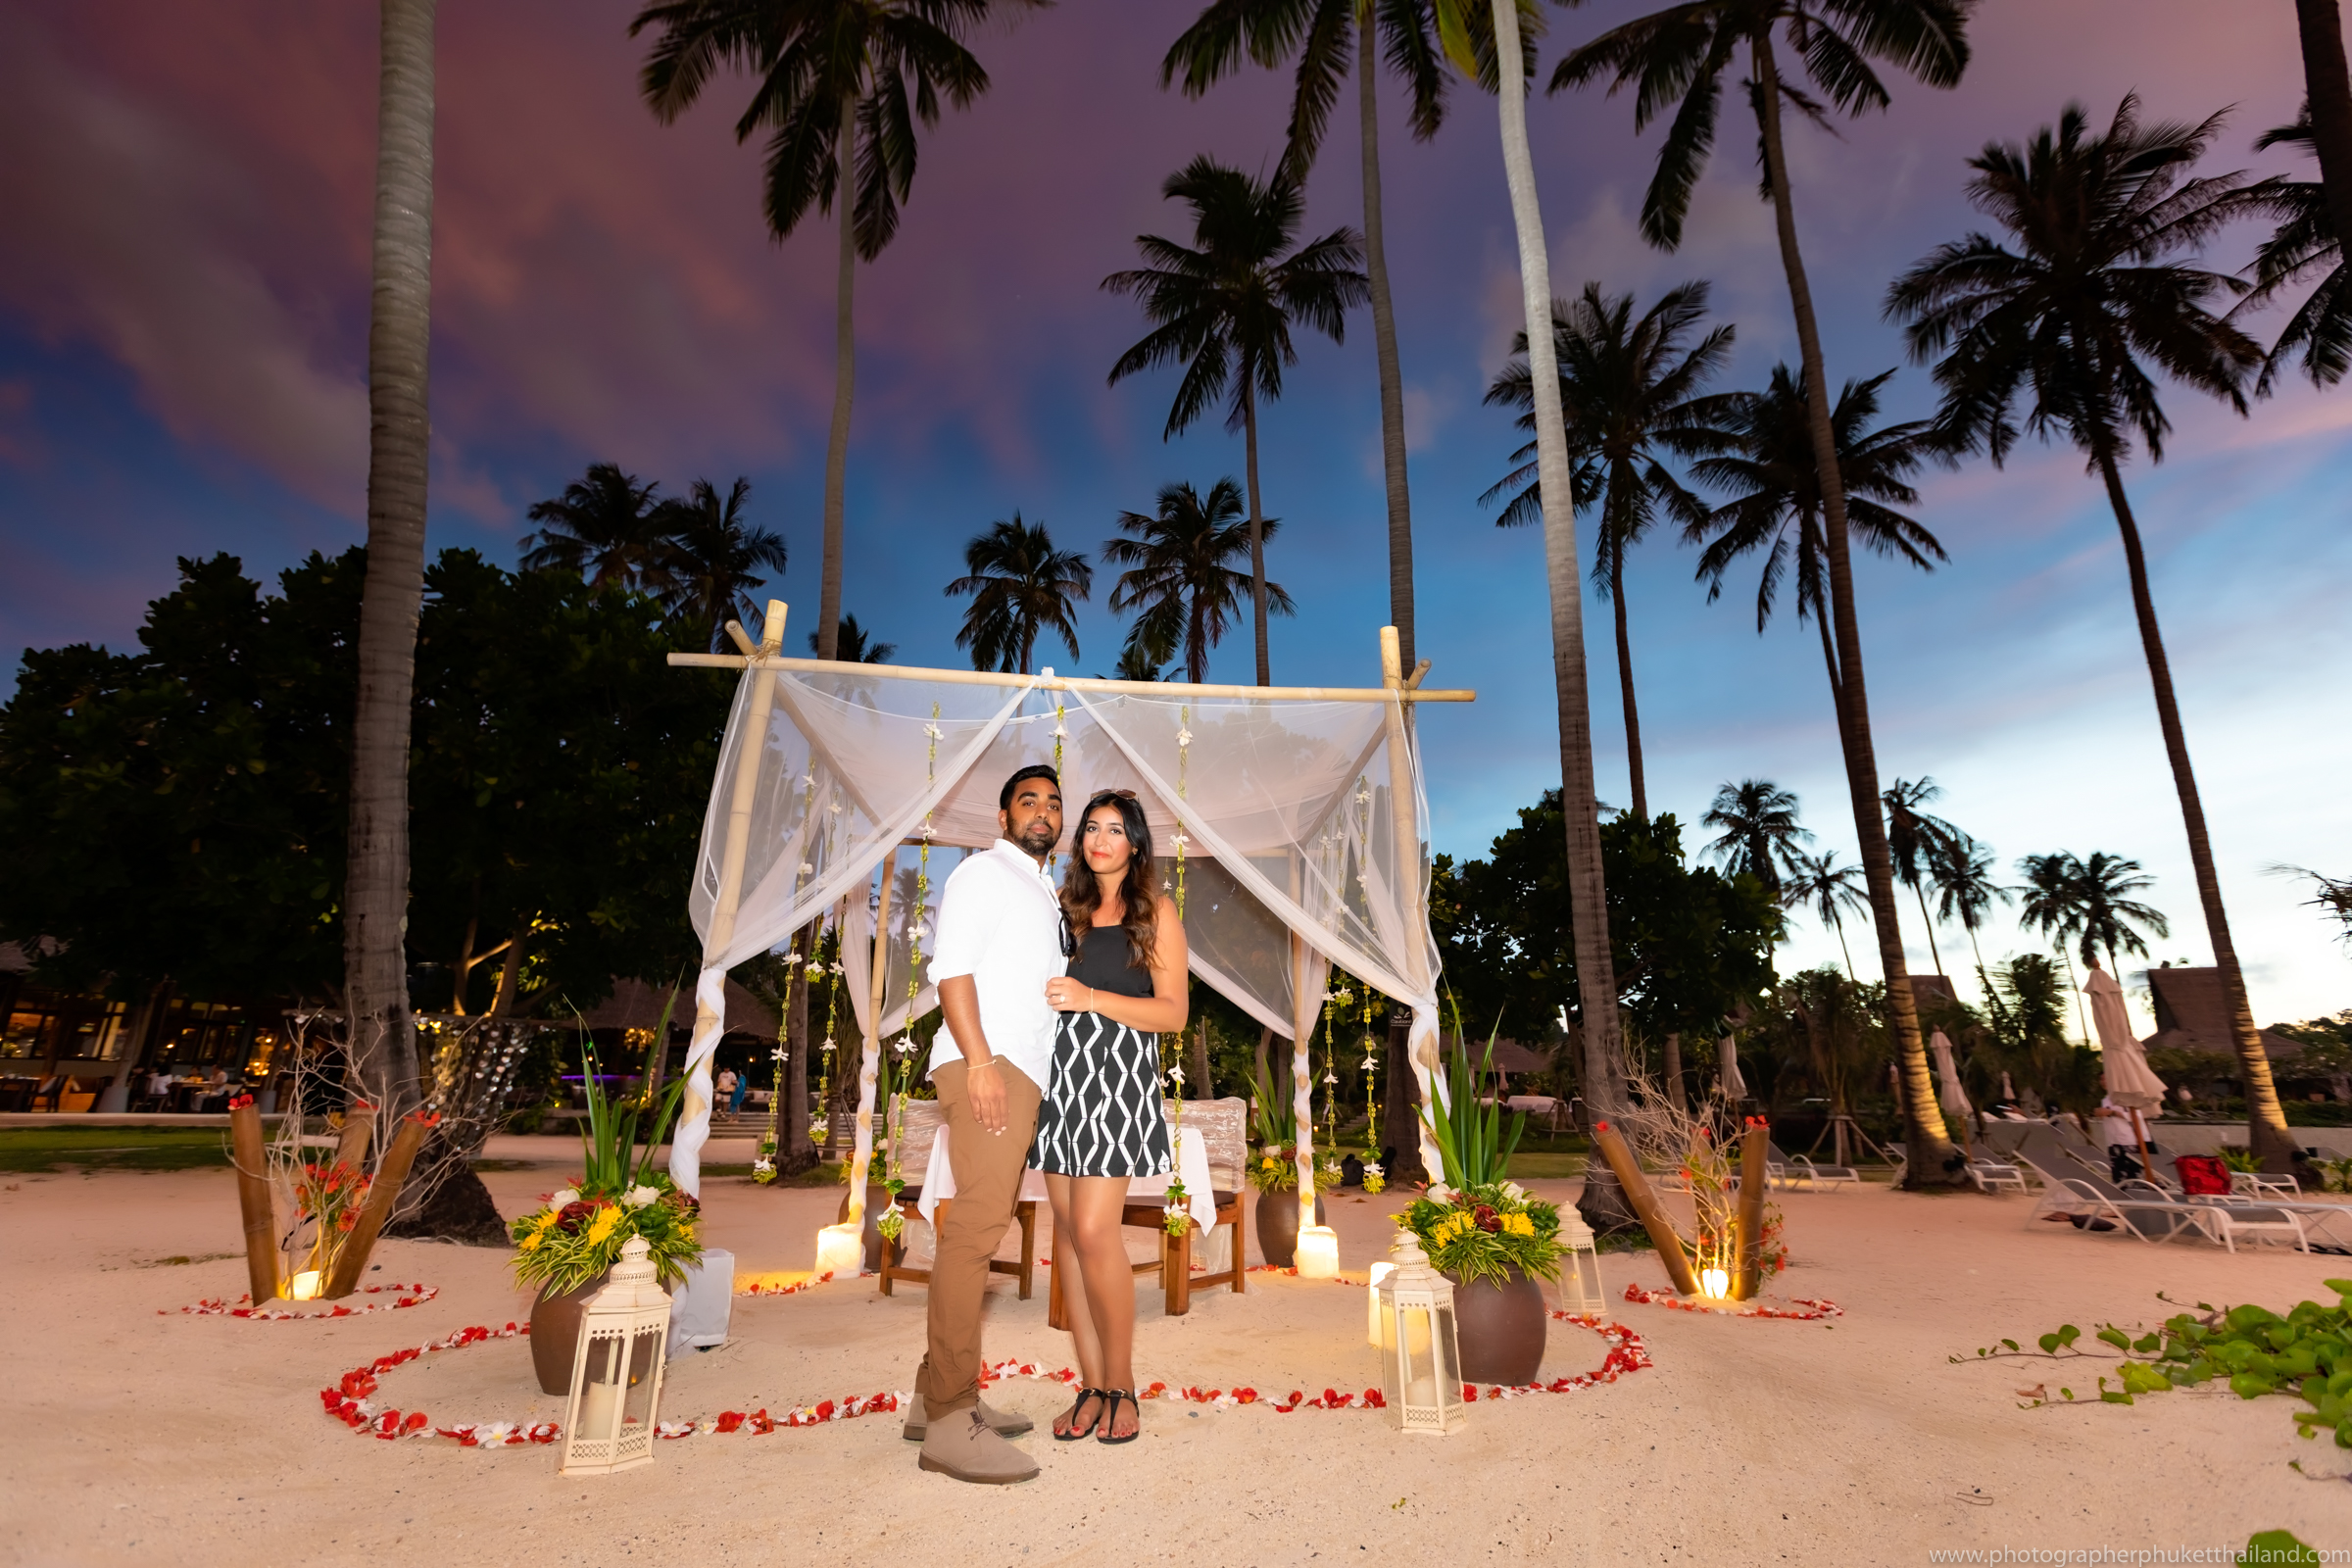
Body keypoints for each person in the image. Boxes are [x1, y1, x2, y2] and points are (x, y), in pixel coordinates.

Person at [906, 764, 1064, 1484]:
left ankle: (927, 1396)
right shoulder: (981, 873)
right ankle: (948, 1420)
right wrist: (978, 1063)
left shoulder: (1043, 889)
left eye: (1053, 803)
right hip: (988, 1062)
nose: (1043, 812)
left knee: (980, 1222)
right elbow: (952, 970)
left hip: (1021, 1065)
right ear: (1003, 819)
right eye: (1028, 801)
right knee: (975, 1232)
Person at [1032, 788, 1188, 1446]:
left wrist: (1091, 997)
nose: (1100, 839)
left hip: (1118, 1080)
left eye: (1115, 830)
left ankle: (1122, 1385)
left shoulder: (1156, 911)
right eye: (1092, 828)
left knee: (1096, 1230)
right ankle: (1091, 1385)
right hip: (1059, 1079)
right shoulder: (1062, 910)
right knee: (1067, 1232)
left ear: (1136, 844)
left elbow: (1172, 1014)